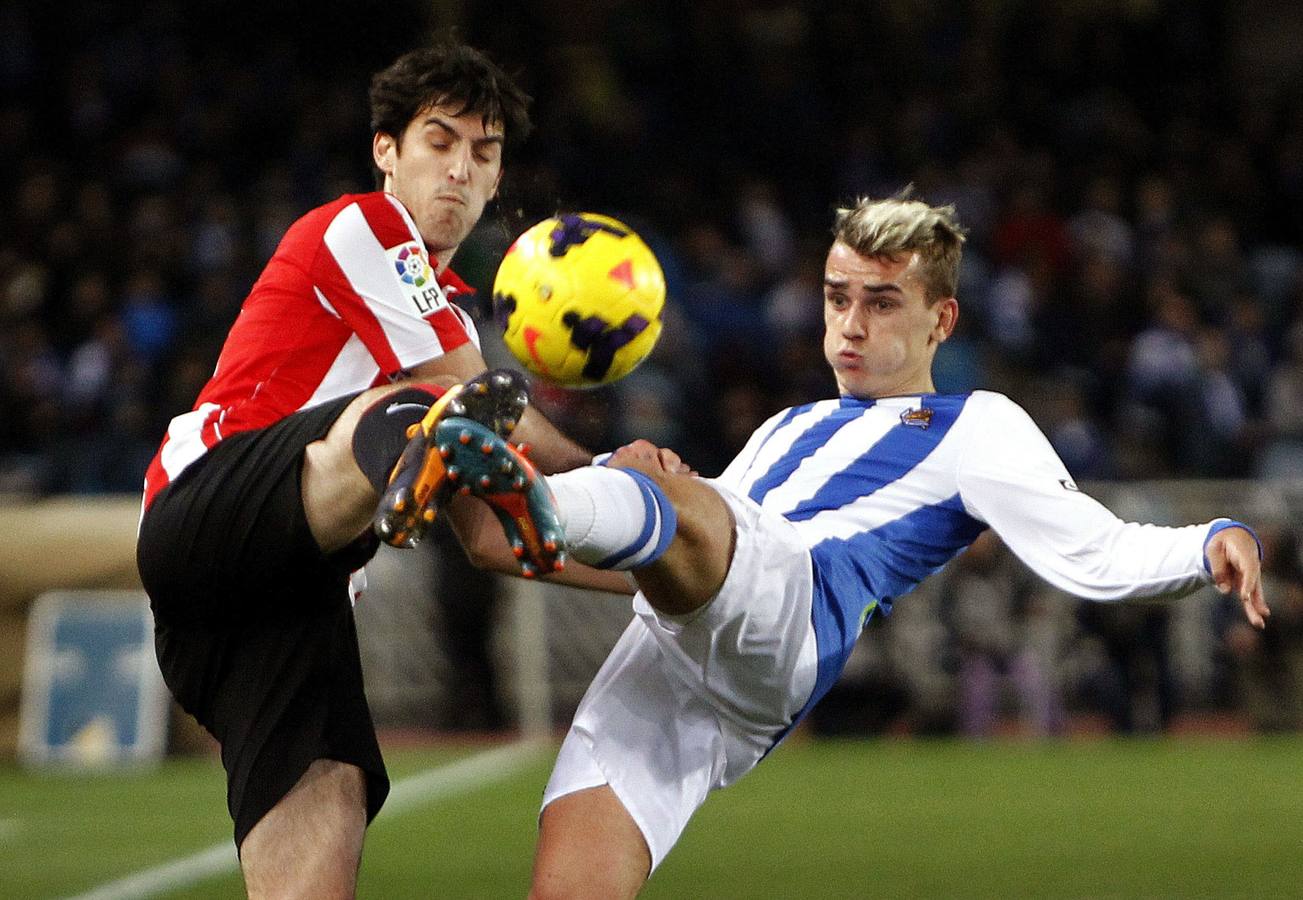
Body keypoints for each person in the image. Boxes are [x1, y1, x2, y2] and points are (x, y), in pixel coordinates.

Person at [424, 191, 1269, 898]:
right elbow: (684, 562)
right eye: (836, 298)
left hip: (795, 610)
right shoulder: (787, 424)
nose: (849, 325)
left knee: (675, 503)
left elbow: (1094, 550)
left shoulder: (975, 424)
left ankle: (525, 479)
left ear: (942, 319)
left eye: (879, 301)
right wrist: (603, 522)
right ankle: (442, 454)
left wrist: (1209, 541)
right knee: (565, 887)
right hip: (681, 650)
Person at [135, 41, 625, 898]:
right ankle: (408, 453)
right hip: (205, 507)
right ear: (385, 151)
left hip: (291, 598)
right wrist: (614, 469)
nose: (462, 171)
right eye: (440, 142)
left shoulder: (446, 308)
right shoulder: (359, 228)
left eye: (485, 152)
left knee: (333, 800)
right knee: (410, 407)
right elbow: (466, 386)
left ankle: (411, 461)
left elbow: (488, 540)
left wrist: (668, 571)